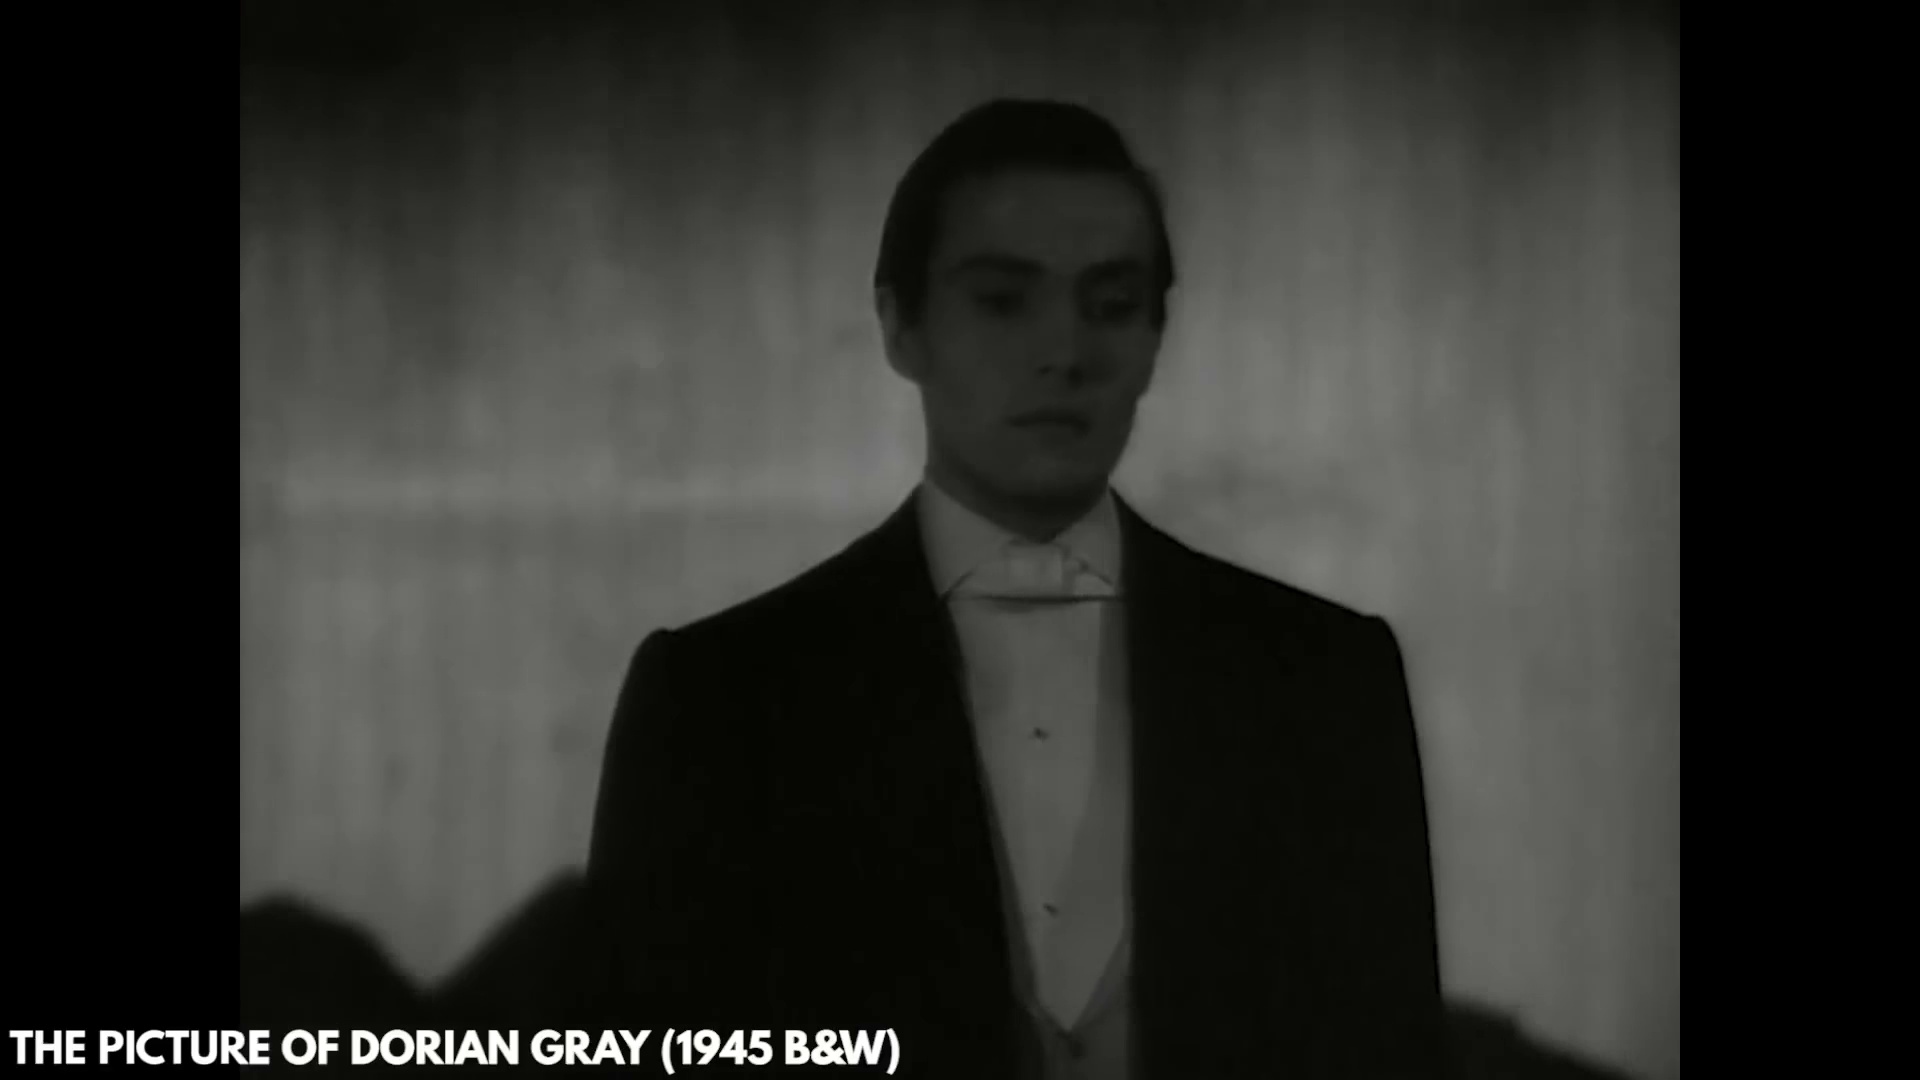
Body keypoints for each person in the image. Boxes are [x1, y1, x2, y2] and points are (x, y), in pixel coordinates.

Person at [577, 98, 1450, 1079]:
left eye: (1110, 304)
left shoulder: (1326, 678)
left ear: (1156, 337)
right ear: (899, 326)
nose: (1063, 352)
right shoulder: (716, 698)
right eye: (1002, 300)